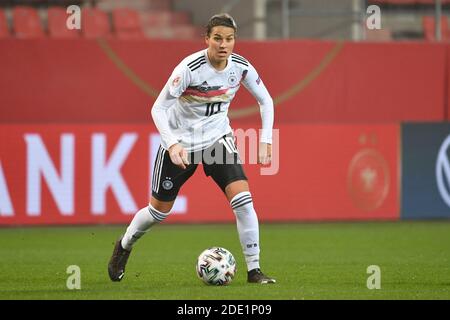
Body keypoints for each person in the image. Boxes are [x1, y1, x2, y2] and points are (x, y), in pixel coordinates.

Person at [108, 13, 276, 284]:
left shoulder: (241, 67)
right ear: (207, 39)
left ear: (235, 41)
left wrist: (266, 140)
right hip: (181, 144)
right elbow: (158, 108)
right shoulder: (189, 68)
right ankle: (124, 245)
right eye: (218, 38)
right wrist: (171, 144)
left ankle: (254, 270)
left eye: (229, 39)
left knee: (243, 202)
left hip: (216, 140)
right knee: (158, 212)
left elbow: (266, 101)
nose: (224, 44)